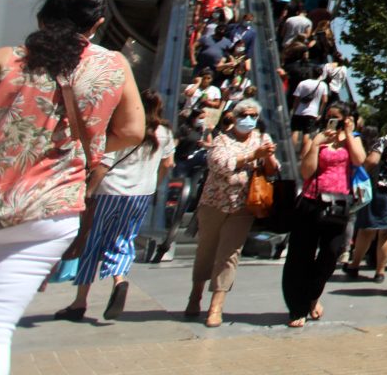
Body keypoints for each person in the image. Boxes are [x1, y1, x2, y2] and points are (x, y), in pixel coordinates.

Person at [0, 0, 143, 374]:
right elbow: (132, 131)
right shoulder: (114, 65)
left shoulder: (8, 59)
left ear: (43, 17)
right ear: (95, 24)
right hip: (53, 212)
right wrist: (89, 147)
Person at [57, 88, 175, 321]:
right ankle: (119, 279)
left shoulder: (123, 128)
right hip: (141, 194)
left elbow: (103, 165)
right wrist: (153, 182)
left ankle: (80, 302)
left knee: (92, 241)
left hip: (109, 192)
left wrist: (88, 192)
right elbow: (168, 164)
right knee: (123, 239)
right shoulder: (165, 133)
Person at [187, 97, 278, 327]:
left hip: (244, 205)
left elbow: (273, 169)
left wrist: (268, 157)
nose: (249, 120)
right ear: (235, 117)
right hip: (214, 202)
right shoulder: (221, 140)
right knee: (206, 249)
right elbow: (219, 163)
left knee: (230, 254)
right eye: (244, 115)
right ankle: (195, 293)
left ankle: (216, 306)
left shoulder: (262, 139)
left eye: (253, 115)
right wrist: (250, 156)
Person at [283, 103, 365, 327]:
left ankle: (312, 295)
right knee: (301, 255)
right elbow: (306, 171)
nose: (333, 121)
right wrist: (316, 144)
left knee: (331, 254)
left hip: (338, 204)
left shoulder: (352, 138)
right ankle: (297, 308)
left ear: (347, 119)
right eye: (330, 117)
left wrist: (348, 133)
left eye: (338, 118)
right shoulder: (315, 138)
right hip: (312, 200)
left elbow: (359, 160)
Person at [345, 121, 387, 281]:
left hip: (378, 189)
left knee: (366, 229)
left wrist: (361, 173)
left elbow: (372, 160)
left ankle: (354, 265)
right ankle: (381, 271)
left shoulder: (384, 141)